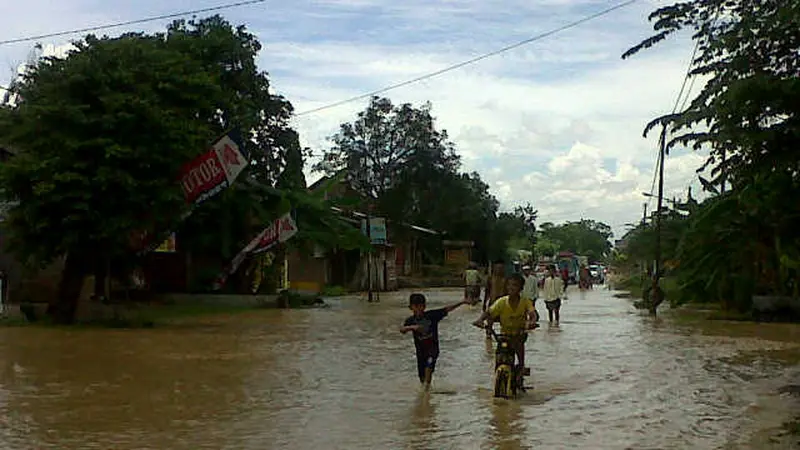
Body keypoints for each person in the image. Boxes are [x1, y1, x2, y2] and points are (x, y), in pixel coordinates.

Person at [472, 273, 538, 377]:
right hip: (504, 336)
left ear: (520, 288)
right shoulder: (502, 302)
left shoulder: (526, 301)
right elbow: (489, 312)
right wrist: (480, 320)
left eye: (515, 285)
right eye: (509, 285)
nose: (511, 288)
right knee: (499, 358)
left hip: (519, 335)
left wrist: (531, 322)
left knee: (520, 355)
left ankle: (520, 370)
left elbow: (533, 314)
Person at [400, 293, 470, 389]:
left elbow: (447, 309)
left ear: (424, 306)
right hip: (420, 352)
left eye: (421, 306)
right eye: (416, 306)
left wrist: (462, 302)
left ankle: (426, 394)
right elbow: (402, 330)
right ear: (411, 307)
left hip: (432, 349)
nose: (419, 309)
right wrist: (413, 327)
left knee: (429, 367)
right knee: (422, 378)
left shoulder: (432, 316)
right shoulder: (410, 321)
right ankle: (425, 393)